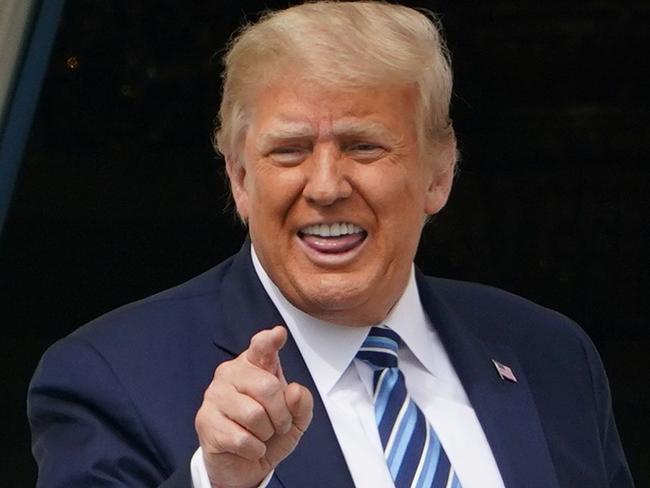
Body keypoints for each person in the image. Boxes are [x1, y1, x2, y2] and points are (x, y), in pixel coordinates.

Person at [28, 2, 634, 487]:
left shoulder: (553, 356)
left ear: (438, 175)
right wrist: (218, 482)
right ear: (239, 179)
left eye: (363, 146)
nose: (325, 187)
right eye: (288, 150)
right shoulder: (110, 377)